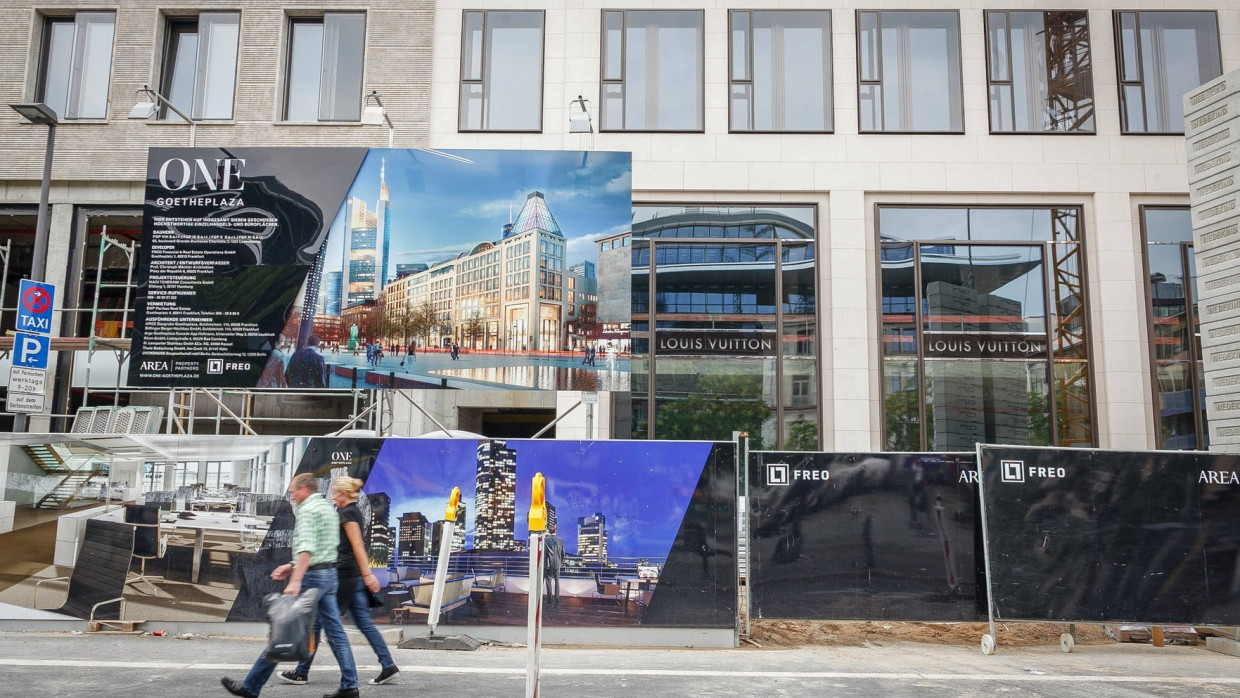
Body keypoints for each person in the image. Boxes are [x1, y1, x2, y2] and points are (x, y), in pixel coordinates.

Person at [221, 474, 359, 698]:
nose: (292, 497)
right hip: (329, 575)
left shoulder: (306, 511)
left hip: (312, 577)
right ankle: (350, 686)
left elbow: (307, 548)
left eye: (293, 492)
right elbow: (323, 546)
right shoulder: (327, 509)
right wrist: (290, 564)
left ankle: (251, 686)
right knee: (335, 633)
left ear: (304, 489)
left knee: (283, 629)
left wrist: (295, 580)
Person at [280, 477, 400, 687]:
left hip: (344, 576)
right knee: (364, 624)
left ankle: (301, 671)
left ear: (344, 494)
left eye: (336, 492)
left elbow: (358, 545)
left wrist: (368, 574)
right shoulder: (346, 512)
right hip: (351, 577)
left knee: (318, 624)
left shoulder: (348, 514)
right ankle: (388, 665)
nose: (333, 495)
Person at [543, 523, 564, 609]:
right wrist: (561, 562)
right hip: (557, 563)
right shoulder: (561, 540)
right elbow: (563, 553)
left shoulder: (546, 540)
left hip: (548, 564)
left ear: (549, 531)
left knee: (548, 581)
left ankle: (549, 599)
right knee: (557, 581)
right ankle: (557, 598)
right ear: (555, 531)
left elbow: (544, 554)